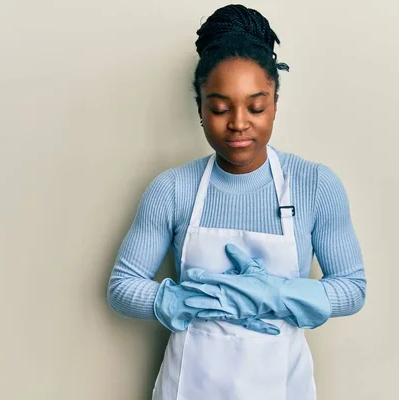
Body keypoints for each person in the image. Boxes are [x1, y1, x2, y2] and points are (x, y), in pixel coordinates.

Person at [107, 4, 366, 399]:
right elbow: (122, 287)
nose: (239, 123)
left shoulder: (314, 184)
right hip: (190, 386)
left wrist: (276, 294)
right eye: (220, 108)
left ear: (275, 103)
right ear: (200, 108)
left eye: (256, 106)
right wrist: (188, 299)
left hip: (280, 387)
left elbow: (352, 288)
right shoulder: (173, 188)